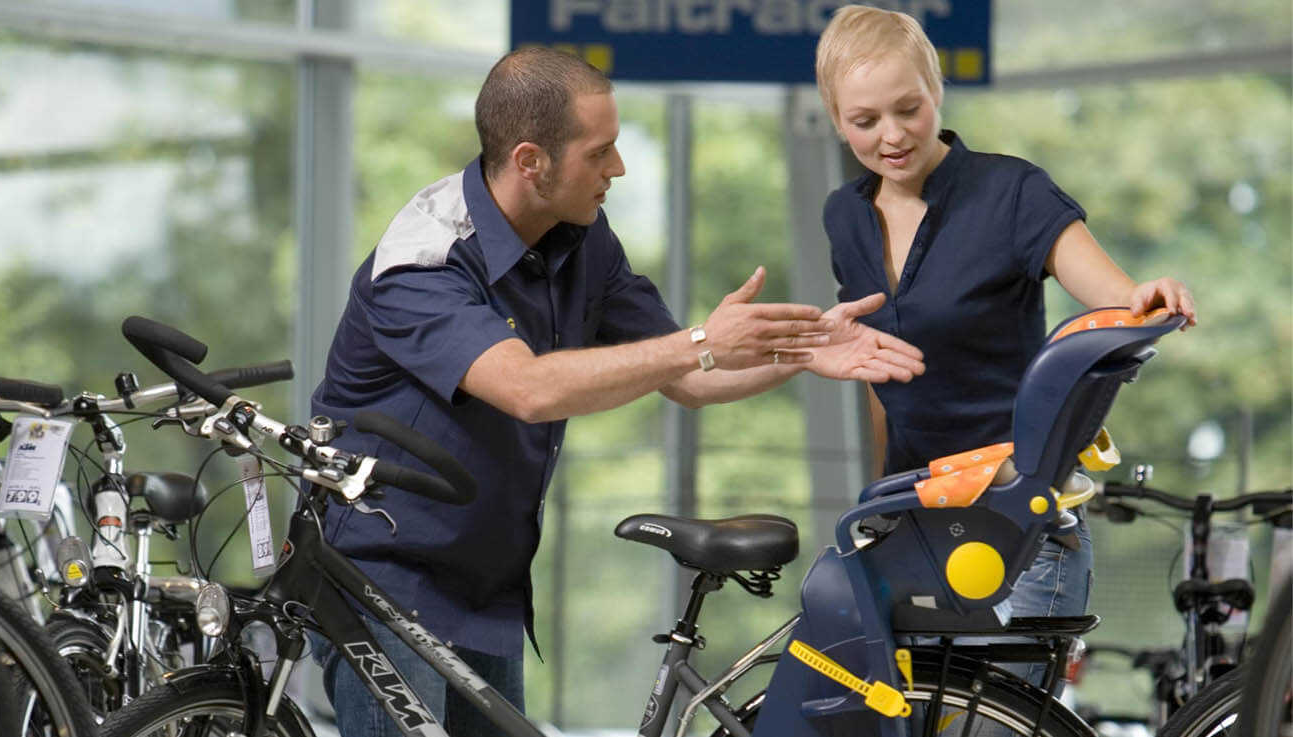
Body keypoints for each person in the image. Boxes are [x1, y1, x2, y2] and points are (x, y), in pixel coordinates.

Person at [309, 46, 926, 736]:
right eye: (599, 152)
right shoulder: (423, 262)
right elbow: (529, 389)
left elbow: (687, 375)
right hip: (382, 584)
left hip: (485, 587)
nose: (618, 169)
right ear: (529, 162)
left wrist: (803, 351)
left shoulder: (578, 236)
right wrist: (699, 340)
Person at [811, 2, 1197, 710]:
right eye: (865, 121)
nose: (891, 136)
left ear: (936, 92)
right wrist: (872, 506)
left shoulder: (1010, 191)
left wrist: (1142, 294)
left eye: (909, 108)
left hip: (1019, 526)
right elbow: (876, 373)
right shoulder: (844, 216)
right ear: (836, 119)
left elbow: (1110, 293)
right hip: (913, 524)